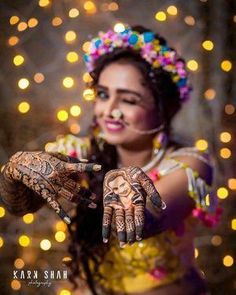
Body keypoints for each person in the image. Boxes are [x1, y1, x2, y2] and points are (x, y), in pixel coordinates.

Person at [0, 25, 221, 295]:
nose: (109, 111)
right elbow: (19, 204)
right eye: (103, 94)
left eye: (128, 100)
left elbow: (143, 222)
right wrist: (15, 173)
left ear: (164, 109)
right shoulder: (79, 154)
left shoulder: (191, 164)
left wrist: (123, 187)